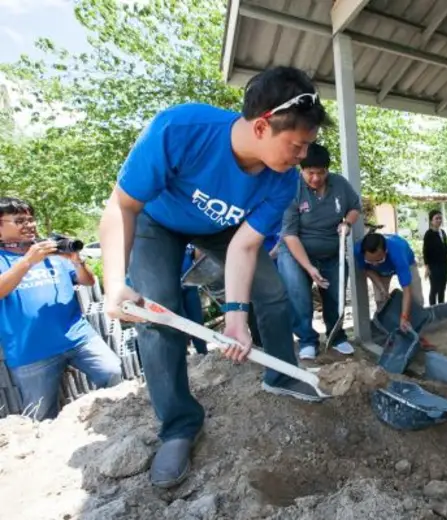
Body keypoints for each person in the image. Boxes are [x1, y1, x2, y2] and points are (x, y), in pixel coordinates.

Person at [98, 66, 331, 488]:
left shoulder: (281, 182)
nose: (302, 156)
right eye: (297, 145)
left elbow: (244, 247)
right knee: (156, 311)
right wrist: (114, 282)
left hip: (225, 231)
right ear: (261, 127)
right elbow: (121, 206)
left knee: (272, 291)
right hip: (157, 222)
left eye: (307, 146)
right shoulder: (180, 129)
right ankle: (178, 426)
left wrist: (237, 318)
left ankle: (281, 373)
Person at [0, 197, 122, 420]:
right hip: (31, 351)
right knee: (40, 415)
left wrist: (76, 260)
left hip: (77, 336)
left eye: (30, 219)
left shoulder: (52, 254)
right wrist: (27, 261)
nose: (29, 225)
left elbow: (87, 281)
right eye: (19, 221)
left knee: (113, 372)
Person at [278, 143, 361, 360]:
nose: (316, 178)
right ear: (301, 170)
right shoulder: (291, 189)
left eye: (321, 172)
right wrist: (309, 267)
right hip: (296, 253)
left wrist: (347, 223)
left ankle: (337, 337)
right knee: (299, 296)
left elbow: (355, 207)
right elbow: (289, 235)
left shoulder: (339, 184)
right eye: (310, 173)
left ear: (327, 170)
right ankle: (307, 340)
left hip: (331, 252)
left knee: (335, 296)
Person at [354, 233, 422, 332]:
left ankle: (415, 328)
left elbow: (407, 290)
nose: (375, 264)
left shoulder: (398, 253)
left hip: (406, 263)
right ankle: (387, 330)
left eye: (378, 260)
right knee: (380, 299)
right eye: (370, 261)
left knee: (416, 298)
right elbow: (366, 269)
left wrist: (404, 317)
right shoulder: (358, 251)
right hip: (381, 270)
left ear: (386, 251)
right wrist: (381, 288)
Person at [180, 244, 208, 355]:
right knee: (179, 322)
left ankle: (203, 353)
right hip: (171, 284)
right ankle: (184, 356)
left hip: (189, 280)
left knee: (197, 320)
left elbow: (197, 254)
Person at [423, 209, 447, 306]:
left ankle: (441, 307)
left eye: (440, 218)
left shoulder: (443, 232)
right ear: (431, 221)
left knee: (442, 288)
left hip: (444, 265)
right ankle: (433, 309)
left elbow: (445, 249)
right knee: (434, 289)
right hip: (434, 266)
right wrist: (427, 267)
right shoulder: (428, 234)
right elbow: (425, 251)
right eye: (436, 218)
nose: (439, 220)